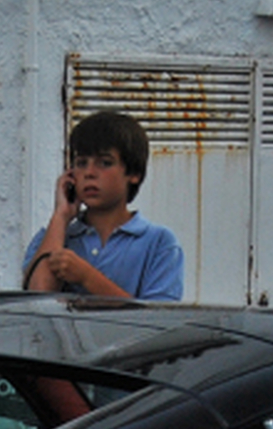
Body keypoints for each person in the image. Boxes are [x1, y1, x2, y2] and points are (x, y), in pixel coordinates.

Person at [22, 110, 185, 301]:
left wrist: (87, 277)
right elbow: (37, 302)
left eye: (105, 163)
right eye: (81, 163)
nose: (89, 173)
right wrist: (61, 216)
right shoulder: (51, 237)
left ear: (134, 174)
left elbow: (158, 321)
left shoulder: (159, 243)